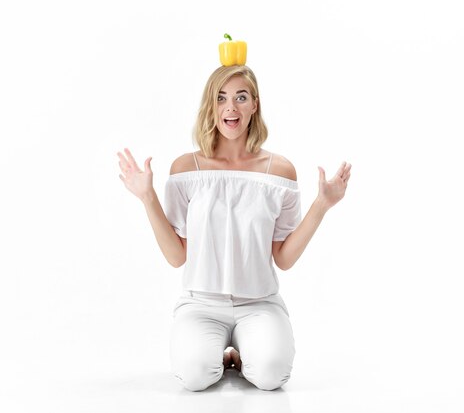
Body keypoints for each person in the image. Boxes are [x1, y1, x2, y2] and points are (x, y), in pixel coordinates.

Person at [117, 65, 351, 391]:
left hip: (259, 304)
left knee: (271, 375)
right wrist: (147, 197)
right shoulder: (186, 168)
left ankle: (241, 359)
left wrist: (321, 205)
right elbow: (175, 256)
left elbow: (283, 258)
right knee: (196, 375)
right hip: (201, 304)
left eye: (241, 97)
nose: (231, 107)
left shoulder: (279, 171)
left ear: (254, 104)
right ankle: (219, 355)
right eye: (222, 98)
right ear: (211, 106)